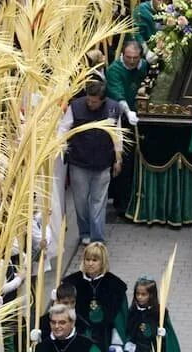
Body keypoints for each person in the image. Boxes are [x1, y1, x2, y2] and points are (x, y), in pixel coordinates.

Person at [58, 82, 124, 243]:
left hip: (103, 163)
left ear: (103, 100)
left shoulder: (114, 109)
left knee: (98, 202)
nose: (90, 104)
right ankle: (85, 232)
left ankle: (97, 238)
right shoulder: (76, 107)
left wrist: (118, 158)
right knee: (80, 202)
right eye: (89, 100)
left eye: (94, 102)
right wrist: (62, 148)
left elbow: (118, 135)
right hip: (79, 162)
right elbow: (63, 129)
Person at [60, 242, 128, 352]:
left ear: (103, 262)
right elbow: (60, 313)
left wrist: (117, 343)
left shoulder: (115, 285)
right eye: (87, 259)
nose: (90, 263)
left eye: (95, 260)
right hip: (78, 335)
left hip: (106, 336)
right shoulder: (72, 283)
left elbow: (120, 318)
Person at [124, 277, 180, 352]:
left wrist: (164, 334)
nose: (139, 297)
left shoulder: (159, 312)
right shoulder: (132, 312)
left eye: (143, 294)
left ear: (151, 295)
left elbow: (169, 337)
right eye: (137, 294)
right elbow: (128, 332)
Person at [105, 40, 146, 124]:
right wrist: (128, 112)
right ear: (122, 54)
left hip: (137, 111)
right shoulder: (114, 70)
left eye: (135, 58)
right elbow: (118, 95)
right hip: (117, 113)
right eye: (128, 57)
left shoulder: (143, 65)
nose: (132, 61)